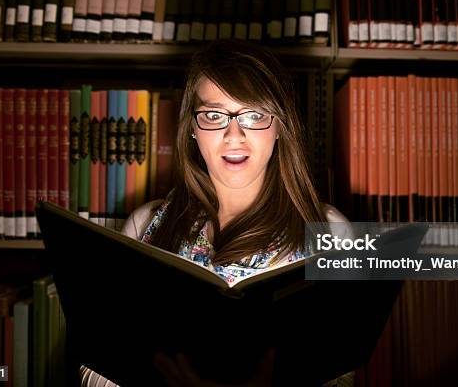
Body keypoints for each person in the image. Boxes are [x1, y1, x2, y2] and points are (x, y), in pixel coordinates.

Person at [80, 39, 351, 387]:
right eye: (213, 115)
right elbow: (96, 366)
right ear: (192, 128)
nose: (233, 135)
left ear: (279, 126)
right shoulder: (145, 225)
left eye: (254, 115)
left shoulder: (331, 232)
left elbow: (342, 373)